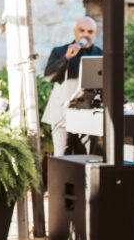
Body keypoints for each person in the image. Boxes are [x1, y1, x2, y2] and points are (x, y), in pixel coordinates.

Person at [42, 17, 103, 155]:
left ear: (95, 33)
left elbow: (109, 81)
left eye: (90, 32)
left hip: (89, 113)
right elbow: (49, 77)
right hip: (62, 114)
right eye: (82, 30)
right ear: (75, 31)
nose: (85, 34)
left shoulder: (100, 54)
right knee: (62, 158)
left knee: (86, 158)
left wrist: (123, 103)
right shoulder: (59, 51)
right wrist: (66, 58)